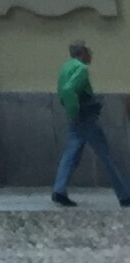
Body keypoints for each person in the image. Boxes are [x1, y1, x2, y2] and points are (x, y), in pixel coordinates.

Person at [53, 40, 130, 205]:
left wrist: (70, 111)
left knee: (71, 153)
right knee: (106, 155)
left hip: (76, 117)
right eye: (89, 52)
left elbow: (62, 90)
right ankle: (124, 194)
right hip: (85, 116)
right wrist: (75, 111)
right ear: (83, 53)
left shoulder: (65, 67)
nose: (91, 55)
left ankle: (59, 189)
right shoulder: (81, 68)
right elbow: (69, 89)